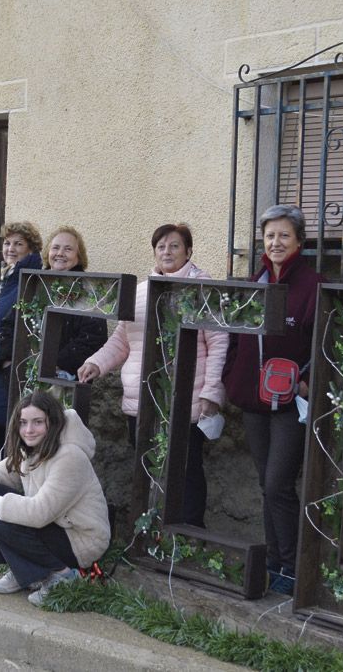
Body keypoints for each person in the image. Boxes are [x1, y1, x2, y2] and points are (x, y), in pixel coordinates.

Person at [79, 223, 227, 528]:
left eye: (174, 246)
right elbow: (121, 340)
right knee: (146, 466)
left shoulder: (203, 290)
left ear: (188, 251)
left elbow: (219, 342)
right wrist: (96, 363)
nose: (167, 252)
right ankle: (150, 531)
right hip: (141, 399)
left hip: (186, 400)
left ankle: (186, 535)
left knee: (185, 469)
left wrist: (212, 391)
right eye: (161, 246)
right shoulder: (141, 292)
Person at [221, 204, 323, 595]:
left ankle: (295, 567)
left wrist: (306, 383)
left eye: (283, 235)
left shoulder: (314, 285)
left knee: (280, 483)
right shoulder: (255, 281)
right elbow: (235, 333)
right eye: (269, 235)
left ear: (298, 241)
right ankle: (277, 564)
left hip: (290, 404)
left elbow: (323, 341)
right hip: (252, 400)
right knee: (267, 484)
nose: (275, 242)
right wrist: (233, 377)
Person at [0, 391, 110, 607]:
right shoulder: (32, 450)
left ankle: (63, 576)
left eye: (37, 422)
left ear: (52, 422)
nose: (29, 430)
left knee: (2, 517)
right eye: (23, 423)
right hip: (56, 526)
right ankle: (25, 572)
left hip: (81, 539)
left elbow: (39, 513)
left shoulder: (70, 457)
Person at [0, 221, 44, 449]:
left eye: (18, 244)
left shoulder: (31, 278)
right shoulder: (7, 277)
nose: (10, 248)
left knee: (10, 425)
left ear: (30, 249)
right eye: (7, 243)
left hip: (12, 365)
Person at [39, 226, 107, 379]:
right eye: (55, 248)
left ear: (79, 256)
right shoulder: (34, 284)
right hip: (25, 376)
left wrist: (53, 364)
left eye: (68, 249)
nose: (60, 253)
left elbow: (93, 338)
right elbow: (14, 323)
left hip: (66, 378)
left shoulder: (89, 292)